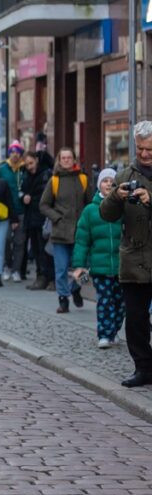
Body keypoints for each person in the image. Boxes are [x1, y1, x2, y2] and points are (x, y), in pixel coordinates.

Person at [99, 121, 152, 387]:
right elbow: (106, 215)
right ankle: (143, 368)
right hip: (133, 259)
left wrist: (149, 199)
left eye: (150, 150)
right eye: (141, 149)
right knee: (136, 320)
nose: (144, 154)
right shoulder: (125, 174)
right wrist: (115, 197)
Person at [71, 168, 123, 349]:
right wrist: (79, 265)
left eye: (112, 180)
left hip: (122, 266)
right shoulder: (90, 211)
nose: (109, 183)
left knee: (121, 304)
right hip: (100, 267)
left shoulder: (123, 206)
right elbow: (82, 240)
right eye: (105, 180)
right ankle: (104, 334)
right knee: (105, 301)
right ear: (99, 184)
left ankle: (114, 329)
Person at [39, 147, 92, 313]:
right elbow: (43, 205)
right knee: (61, 269)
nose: (67, 160)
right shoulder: (54, 181)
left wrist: (86, 221)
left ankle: (75, 289)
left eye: (70, 157)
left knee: (81, 267)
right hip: (60, 232)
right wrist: (57, 217)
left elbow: (90, 204)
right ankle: (63, 299)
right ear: (59, 161)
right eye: (64, 158)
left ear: (74, 160)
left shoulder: (83, 179)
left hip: (79, 232)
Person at [21, 151, 55, 290]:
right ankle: (41, 276)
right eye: (27, 164)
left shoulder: (45, 174)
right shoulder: (27, 176)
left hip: (42, 218)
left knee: (46, 250)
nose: (29, 166)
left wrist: (30, 198)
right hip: (32, 218)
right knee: (36, 250)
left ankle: (50, 278)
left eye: (31, 163)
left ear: (36, 160)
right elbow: (22, 192)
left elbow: (46, 197)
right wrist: (23, 197)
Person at [0, 141, 26, 282]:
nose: (15, 155)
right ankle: (7, 266)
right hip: (5, 211)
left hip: (21, 210)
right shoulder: (3, 169)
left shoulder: (24, 169)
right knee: (6, 239)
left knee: (19, 242)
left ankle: (16, 270)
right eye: (12, 152)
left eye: (18, 152)